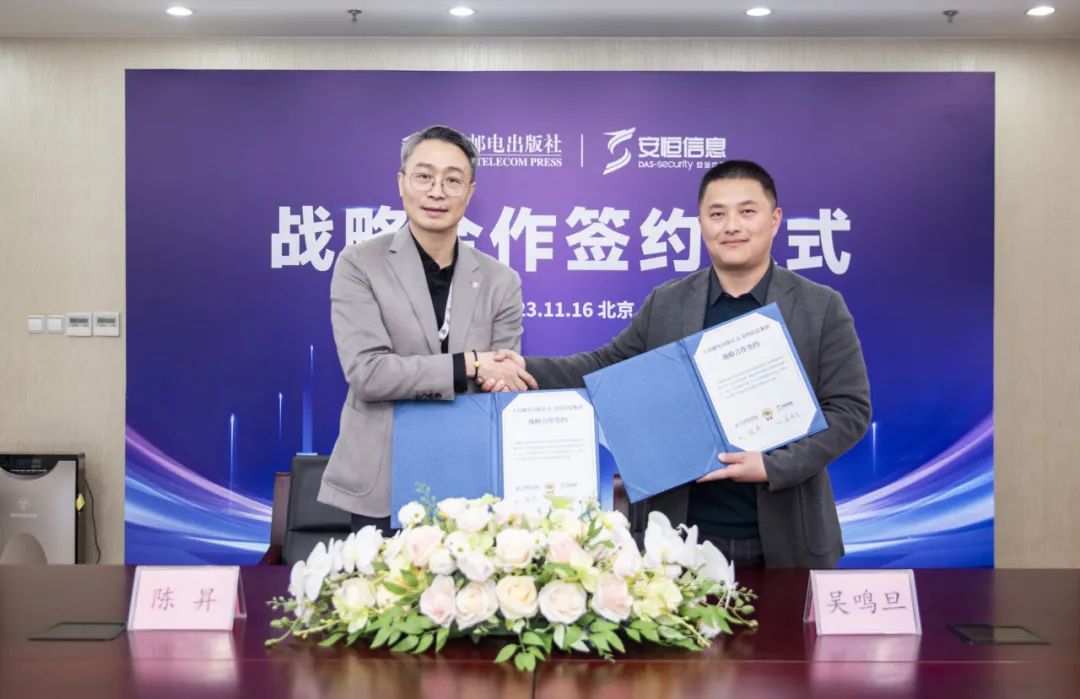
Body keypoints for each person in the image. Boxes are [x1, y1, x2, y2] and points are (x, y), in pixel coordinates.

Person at [489, 160, 870, 568]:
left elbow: (849, 411)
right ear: (701, 223)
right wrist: (522, 367)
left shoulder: (820, 307)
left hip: (786, 538)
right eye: (717, 214)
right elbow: (605, 364)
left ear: (774, 220)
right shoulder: (668, 302)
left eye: (747, 211)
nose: (731, 226)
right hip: (678, 538)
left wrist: (772, 466)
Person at [319, 125, 538, 532]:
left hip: (471, 478)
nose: (437, 191)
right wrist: (471, 364)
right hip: (382, 478)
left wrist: (499, 375)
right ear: (401, 182)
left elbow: (504, 377)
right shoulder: (359, 264)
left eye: (452, 180)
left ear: (469, 192)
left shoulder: (501, 280)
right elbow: (368, 374)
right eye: (424, 176)